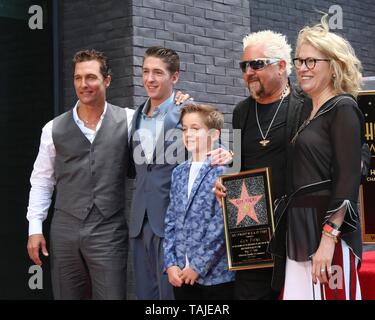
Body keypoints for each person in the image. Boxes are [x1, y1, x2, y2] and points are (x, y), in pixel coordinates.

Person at [269, 16, 364, 300]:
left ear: (333, 67)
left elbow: (348, 178)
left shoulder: (343, 108)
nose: (302, 68)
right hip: (299, 230)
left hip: (327, 232)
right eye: (299, 61)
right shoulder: (307, 113)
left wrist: (328, 238)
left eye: (311, 61)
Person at [26, 49, 134, 299]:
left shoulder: (129, 121)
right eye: (78, 78)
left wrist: (176, 104)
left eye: (91, 77)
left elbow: (159, 152)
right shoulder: (53, 128)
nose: (83, 84)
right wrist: (35, 228)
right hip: (65, 230)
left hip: (109, 230)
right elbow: (42, 181)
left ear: (107, 80)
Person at [214, 30, 312, 300]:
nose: (248, 72)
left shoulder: (307, 105)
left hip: (297, 232)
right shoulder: (239, 112)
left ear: (281, 66)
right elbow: (234, 165)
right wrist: (224, 181)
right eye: (244, 66)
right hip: (251, 233)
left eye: (256, 64)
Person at [163, 104, 235, 300]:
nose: (188, 134)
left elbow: (221, 225)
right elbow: (170, 220)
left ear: (214, 134)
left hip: (216, 278)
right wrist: (170, 263)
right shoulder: (178, 172)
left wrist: (198, 266)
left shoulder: (225, 171)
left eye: (195, 128)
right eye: (185, 129)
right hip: (181, 274)